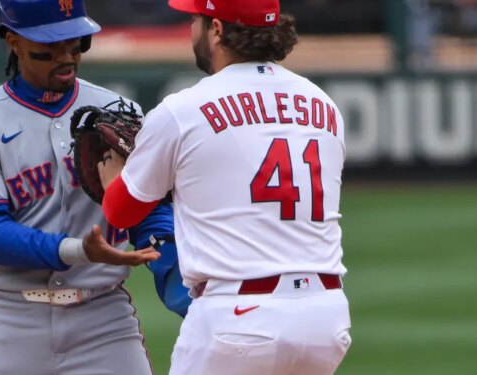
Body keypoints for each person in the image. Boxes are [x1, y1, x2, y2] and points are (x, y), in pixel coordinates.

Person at [98, 0, 352, 374]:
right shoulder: (324, 105)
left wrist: (116, 177)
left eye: (195, 19)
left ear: (216, 29)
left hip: (239, 320)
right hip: (325, 315)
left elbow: (121, 212)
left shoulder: (183, 109)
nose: (191, 29)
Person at [0, 1, 167, 374]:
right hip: (11, 322)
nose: (66, 56)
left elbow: (152, 208)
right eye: (49, 46)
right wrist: (79, 250)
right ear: (13, 41)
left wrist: (171, 259)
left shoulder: (120, 112)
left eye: (75, 43)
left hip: (104, 319)